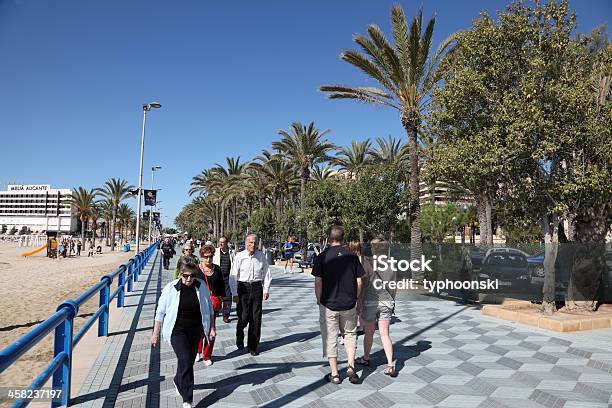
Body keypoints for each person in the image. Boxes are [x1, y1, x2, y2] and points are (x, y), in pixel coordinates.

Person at [152, 256, 214, 408]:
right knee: (185, 358)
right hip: (177, 330)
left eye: (192, 275)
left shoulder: (201, 286)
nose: (189, 278)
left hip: (196, 329)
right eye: (185, 275)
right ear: (180, 274)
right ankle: (187, 398)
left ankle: (178, 380)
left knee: (187, 362)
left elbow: (210, 309)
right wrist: (155, 334)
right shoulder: (171, 288)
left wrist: (212, 328)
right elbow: (160, 312)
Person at [312, 225, 363, 385]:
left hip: (329, 305)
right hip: (349, 304)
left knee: (330, 338)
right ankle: (350, 366)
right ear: (342, 238)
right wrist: (355, 296)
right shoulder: (352, 256)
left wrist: (319, 300)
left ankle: (335, 374)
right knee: (350, 335)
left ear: (329, 238)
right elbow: (359, 281)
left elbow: (318, 282)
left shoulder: (322, 256)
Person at [356, 238, 398, 377]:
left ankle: (366, 358)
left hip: (370, 302)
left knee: (369, 332)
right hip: (387, 302)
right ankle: (391, 365)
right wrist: (392, 300)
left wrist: (359, 300)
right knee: (385, 333)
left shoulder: (368, 263)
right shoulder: (393, 264)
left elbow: (362, 282)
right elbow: (394, 285)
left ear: (374, 249)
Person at [229, 234, 272, 356]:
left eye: (255, 243)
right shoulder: (240, 256)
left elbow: (267, 273)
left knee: (256, 318)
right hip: (243, 287)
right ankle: (239, 333)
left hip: (257, 287)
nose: (253, 245)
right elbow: (233, 276)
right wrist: (234, 293)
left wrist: (266, 289)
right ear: (246, 243)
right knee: (243, 317)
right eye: (251, 243)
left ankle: (253, 346)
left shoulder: (261, 256)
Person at [196, 244, 225, 365]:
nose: (208, 259)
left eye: (211, 257)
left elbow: (222, 286)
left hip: (213, 304)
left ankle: (207, 355)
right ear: (201, 257)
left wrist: (225, 301)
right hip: (198, 304)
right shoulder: (196, 270)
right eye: (206, 257)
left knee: (211, 329)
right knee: (199, 329)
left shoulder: (217, 269)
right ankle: (197, 352)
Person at [213, 235, 235, 323]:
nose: (221, 243)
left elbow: (234, 264)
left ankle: (226, 315)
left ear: (226, 243)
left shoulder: (231, 253)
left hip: (227, 278)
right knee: (216, 296)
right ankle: (216, 310)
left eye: (223, 242)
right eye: (220, 242)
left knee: (227, 297)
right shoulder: (215, 252)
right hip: (217, 277)